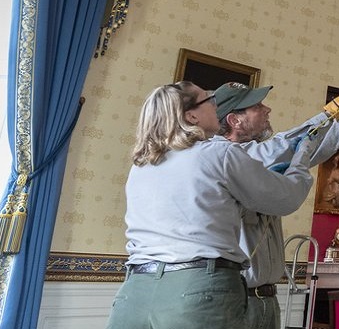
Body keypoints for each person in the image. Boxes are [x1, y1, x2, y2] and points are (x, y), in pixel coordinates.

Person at [106, 81, 322, 329]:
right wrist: (301, 159)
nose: (215, 105)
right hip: (196, 289)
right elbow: (286, 198)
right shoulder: (220, 153)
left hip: (134, 292)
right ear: (191, 116)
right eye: (209, 99)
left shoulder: (142, 165)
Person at [217, 65, 339, 329]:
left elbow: (317, 148)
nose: (267, 110)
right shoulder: (226, 156)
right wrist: (336, 106)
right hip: (238, 301)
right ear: (234, 120)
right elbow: (285, 145)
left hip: (265, 299)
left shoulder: (257, 158)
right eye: (257, 106)